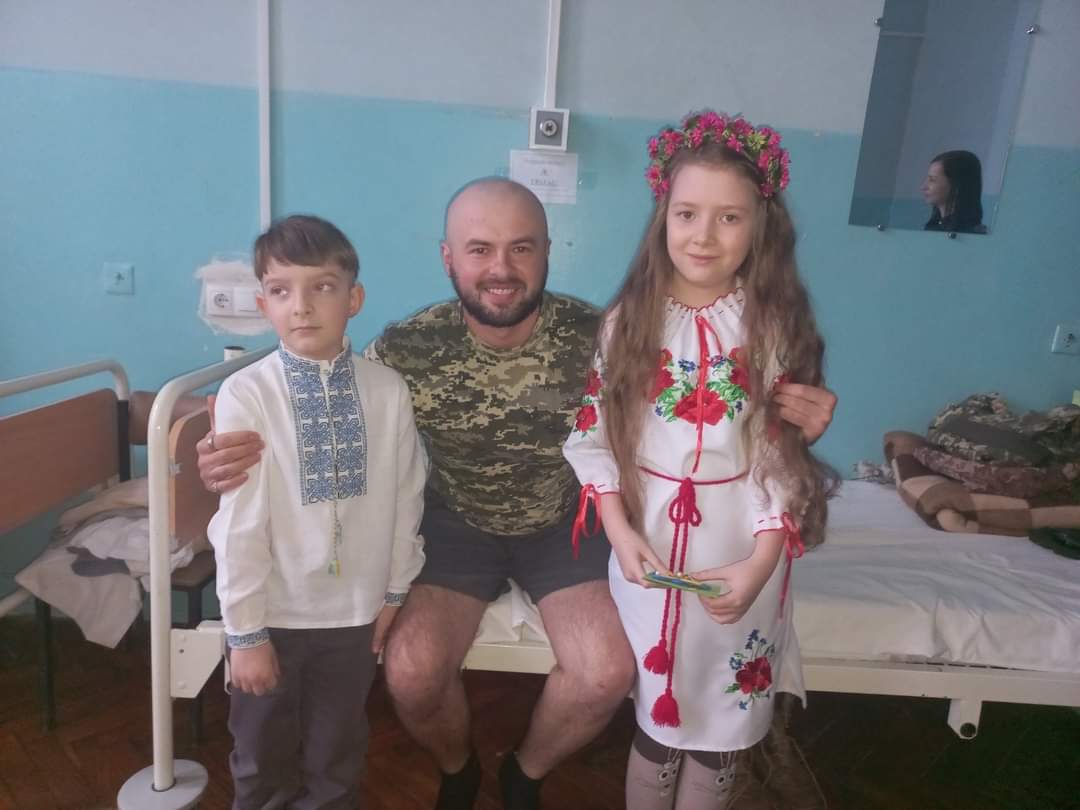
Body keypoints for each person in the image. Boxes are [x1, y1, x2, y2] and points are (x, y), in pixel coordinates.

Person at [197, 179, 838, 810]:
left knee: (604, 672)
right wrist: (222, 453)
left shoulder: (605, 336)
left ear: (547, 252)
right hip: (454, 525)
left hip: (566, 522)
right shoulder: (405, 349)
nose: (500, 269)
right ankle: (458, 769)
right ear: (448, 258)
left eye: (521, 248)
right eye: (479, 249)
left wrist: (795, 418)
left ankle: (525, 774)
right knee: (412, 672)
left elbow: (699, 417)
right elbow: (333, 413)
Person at [562, 111, 835, 809]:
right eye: (687, 213)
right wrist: (619, 531)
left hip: (742, 550)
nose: (703, 236)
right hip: (648, 543)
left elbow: (779, 456)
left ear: (760, 227)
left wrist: (760, 563)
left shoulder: (772, 326)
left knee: (725, 725)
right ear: (664, 216)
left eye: (729, 218)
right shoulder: (627, 322)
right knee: (658, 722)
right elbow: (593, 436)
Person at [206, 215, 427, 808]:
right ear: (264, 304)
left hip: (354, 616)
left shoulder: (387, 390)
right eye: (281, 291)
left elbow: (407, 495)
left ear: (353, 299)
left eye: (322, 287)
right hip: (272, 615)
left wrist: (394, 592)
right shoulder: (247, 393)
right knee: (261, 758)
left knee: (338, 757)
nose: (301, 306)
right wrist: (245, 632)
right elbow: (238, 523)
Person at [921, 150, 987, 234]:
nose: (923, 187)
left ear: (956, 186)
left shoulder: (972, 234)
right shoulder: (933, 228)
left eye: (932, 180)